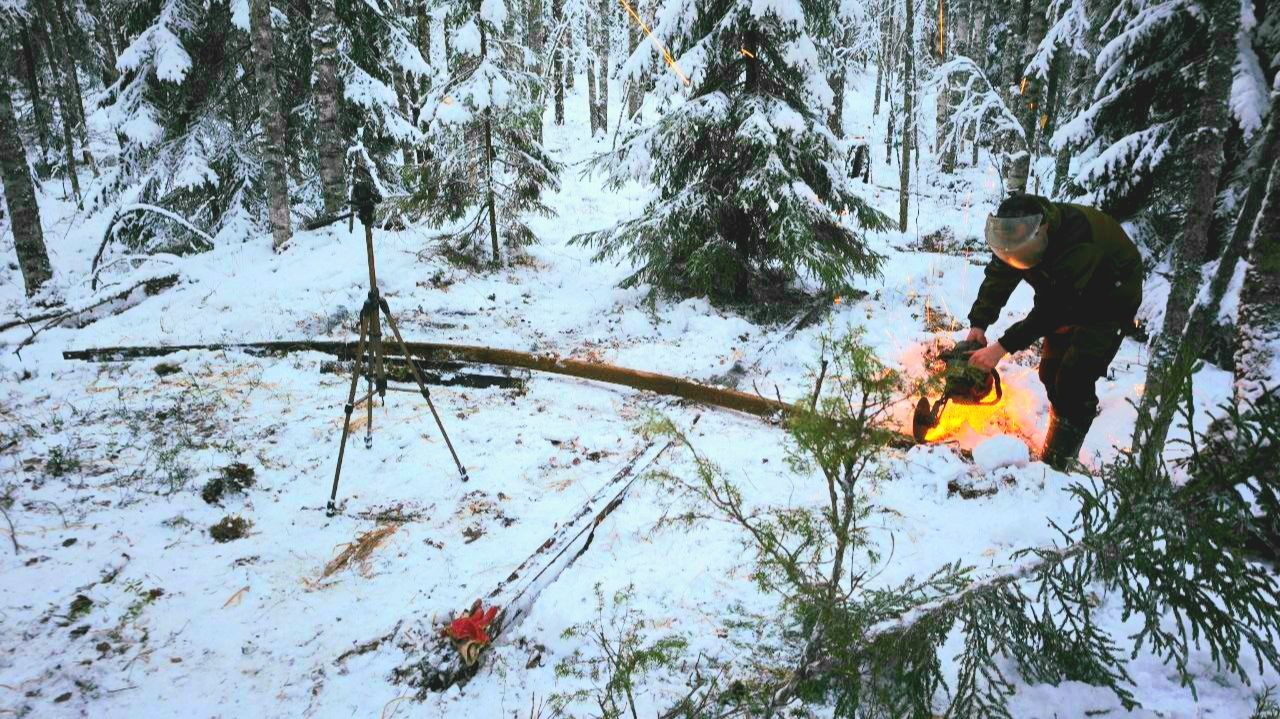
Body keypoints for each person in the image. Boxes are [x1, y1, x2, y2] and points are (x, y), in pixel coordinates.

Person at [964, 193, 1143, 469]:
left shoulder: (1078, 239)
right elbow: (1000, 276)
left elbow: (1053, 310)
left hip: (1110, 296)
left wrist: (1001, 348)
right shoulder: (1014, 235)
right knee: (1050, 372)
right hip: (1064, 293)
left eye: (1021, 249)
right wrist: (979, 323)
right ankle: (1059, 432)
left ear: (1043, 229)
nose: (1016, 255)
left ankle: (1060, 462)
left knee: (1075, 376)